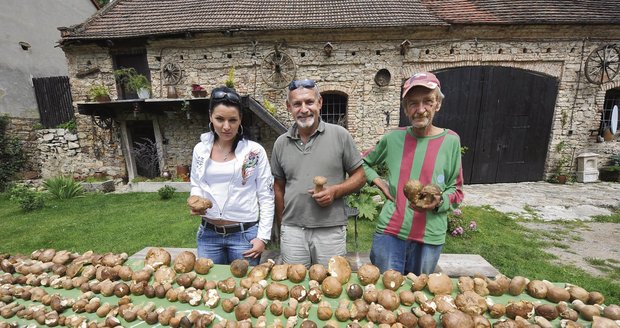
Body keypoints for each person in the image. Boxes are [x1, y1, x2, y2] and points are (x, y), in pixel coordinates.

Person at [362, 72, 464, 275]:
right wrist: (378, 182)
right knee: (384, 298)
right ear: (406, 109)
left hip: (429, 238)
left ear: (438, 104)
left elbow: (457, 191)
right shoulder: (393, 139)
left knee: (418, 298)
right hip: (390, 234)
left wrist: (440, 201)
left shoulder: (451, 141)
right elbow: (362, 162)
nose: (420, 110)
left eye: (427, 101)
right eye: (413, 103)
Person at [271, 79, 365, 267]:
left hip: (330, 231)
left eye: (309, 102)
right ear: (289, 107)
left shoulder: (340, 135)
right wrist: (283, 226)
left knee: (331, 283)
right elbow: (278, 188)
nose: (304, 109)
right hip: (293, 232)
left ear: (320, 103)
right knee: (294, 287)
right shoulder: (280, 143)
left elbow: (361, 176)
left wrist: (335, 191)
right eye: (297, 104)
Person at [189, 86, 274, 266]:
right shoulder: (200, 149)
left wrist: (263, 237)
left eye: (232, 120)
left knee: (246, 289)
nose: (226, 127)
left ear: (240, 120)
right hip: (209, 235)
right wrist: (195, 201)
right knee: (209, 289)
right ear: (210, 116)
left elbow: (266, 196)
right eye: (220, 119)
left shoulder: (254, 152)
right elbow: (196, 183)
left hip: (244, 236)